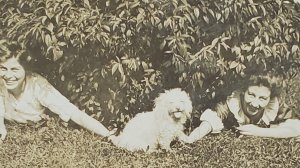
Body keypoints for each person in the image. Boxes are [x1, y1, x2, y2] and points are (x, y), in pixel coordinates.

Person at [0, 41, 112, 141]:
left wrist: (108, 136)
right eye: (3, 69)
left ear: (26, 69)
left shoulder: (38, 86)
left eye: (15, 69)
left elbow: (74, 113)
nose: (8, 75)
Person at [186, 73, 300, 143]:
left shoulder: (274, 107)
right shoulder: (232, 103)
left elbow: (296, 128)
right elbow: (209, 122)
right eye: (251, 95)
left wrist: (258, 131)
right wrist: (191, 138)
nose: (254, 104)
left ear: (270, 99)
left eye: (262, 98)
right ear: (243, 91)